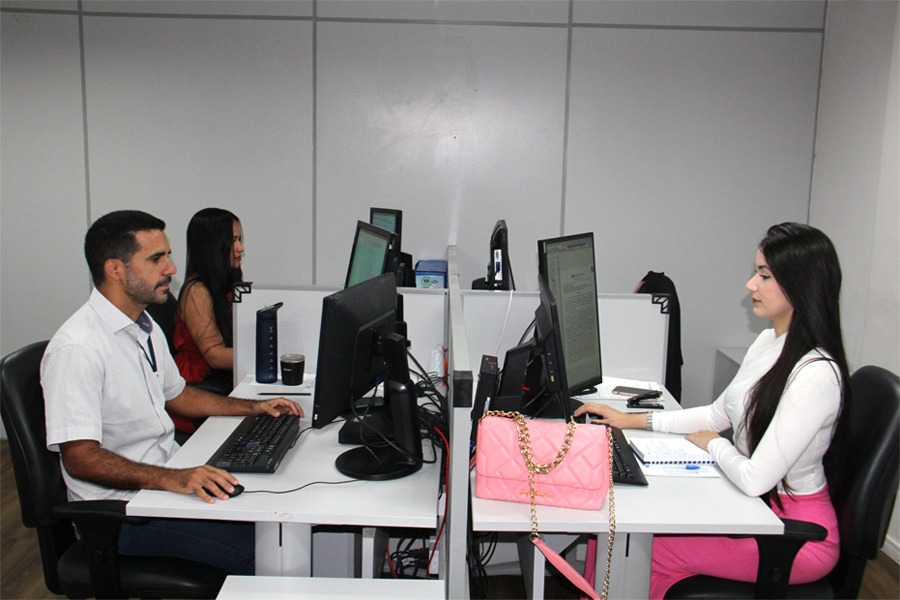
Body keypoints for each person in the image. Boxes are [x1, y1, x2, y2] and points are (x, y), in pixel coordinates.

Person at [575, 222, 850, 598]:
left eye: (764, 275)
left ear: (800, 284)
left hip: (794, 536)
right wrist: (630, 420)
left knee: (626, 546)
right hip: (757, 511)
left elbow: (754, 478)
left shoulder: (817, 374)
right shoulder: (768, 343)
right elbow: (716, 415)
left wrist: (715, 445)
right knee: (611, 536)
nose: (750, 285)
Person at [41, 210, 304, 576]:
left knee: (281, 525)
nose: (171, 269)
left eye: (168, 255)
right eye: (156, 259)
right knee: (272, 557)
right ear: (115, 269)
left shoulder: (144, 325)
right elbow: (80, 458)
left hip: (163, 486)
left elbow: (179, 396)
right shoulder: (78, 348)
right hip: (126, 516)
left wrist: (254, 408)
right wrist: (172, 479)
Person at [171, 208, 244, 433]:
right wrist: (268, 357)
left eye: (240, 239)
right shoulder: (197, 292)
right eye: (233, 241)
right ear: (212, 246)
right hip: (200, 391)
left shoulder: (226, 283)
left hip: (223, 383)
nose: (240, 248)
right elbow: (216, 356)